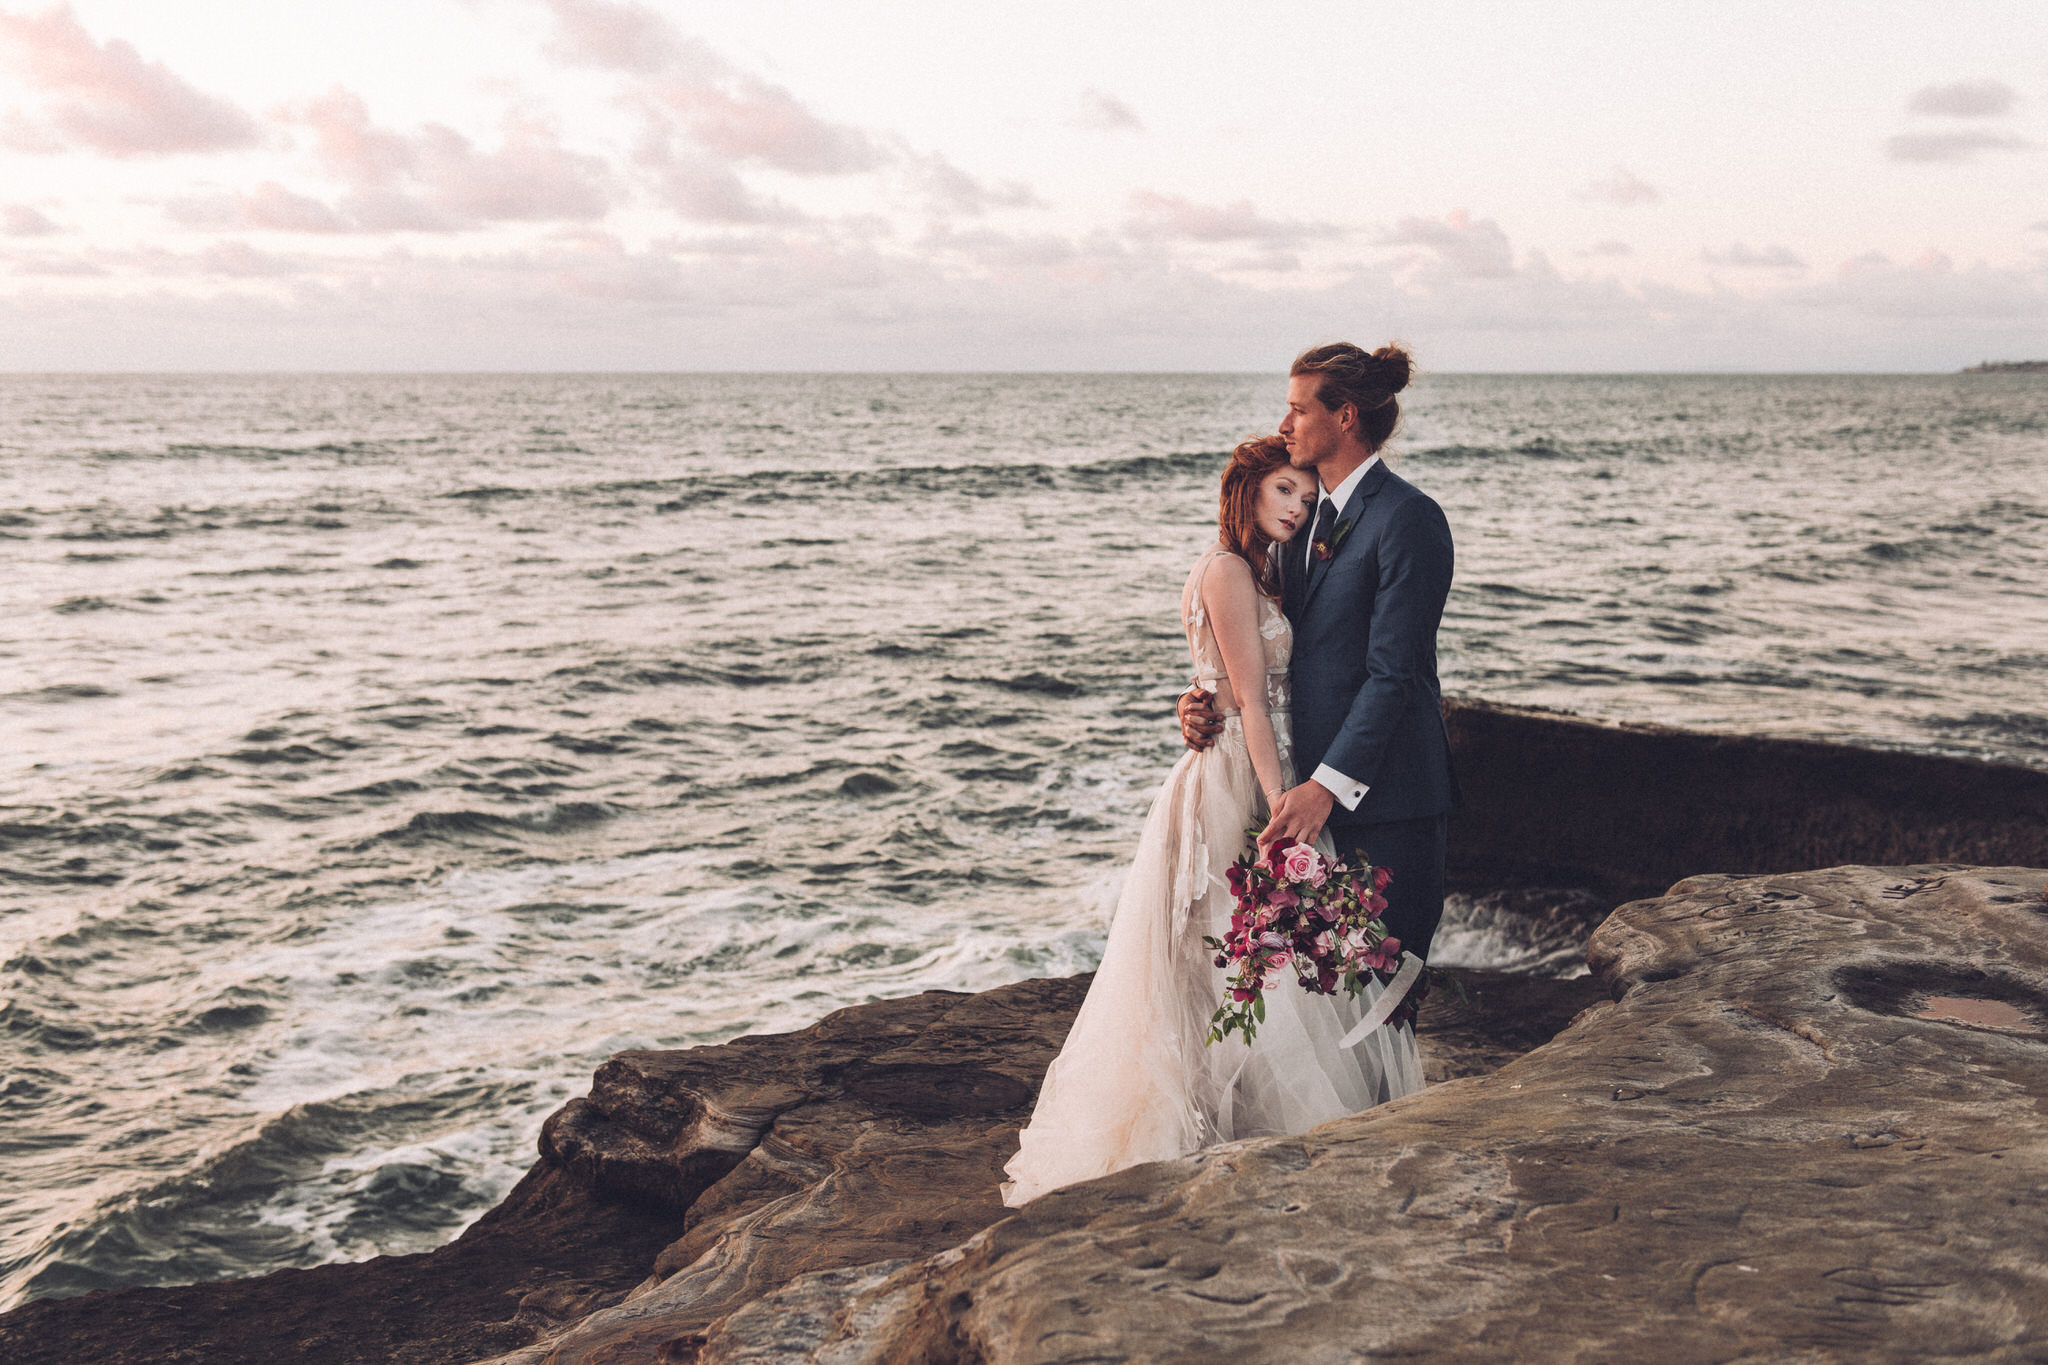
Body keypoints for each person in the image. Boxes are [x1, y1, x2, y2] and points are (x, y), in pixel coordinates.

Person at [1001, 435, 1423, 1208]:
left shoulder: (1260, 568)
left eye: (1305, 496)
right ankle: (1206, 1118)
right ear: (1246, 489)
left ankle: (1235, 1108)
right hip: (1239, 775)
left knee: (1248, 948)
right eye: (1283, 490)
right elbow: (1250, 701)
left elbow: (1234, 681)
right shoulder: (1227, 569)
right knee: (1225, 943)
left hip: (1258, 762)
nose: (1296, 506)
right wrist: (1280, 803)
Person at [1180, 342, 1458, 966]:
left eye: (1298, 410)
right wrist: (1203, 698)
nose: (1285, 424)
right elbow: (1266, 648)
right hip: (1301, 801)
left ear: (1345, 417)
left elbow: (1394, 675)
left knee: (1384, 992)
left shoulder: (1408, 518)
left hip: (1385, 803)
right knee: (1314, 991)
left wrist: (1326, 786)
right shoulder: (1300, 521)